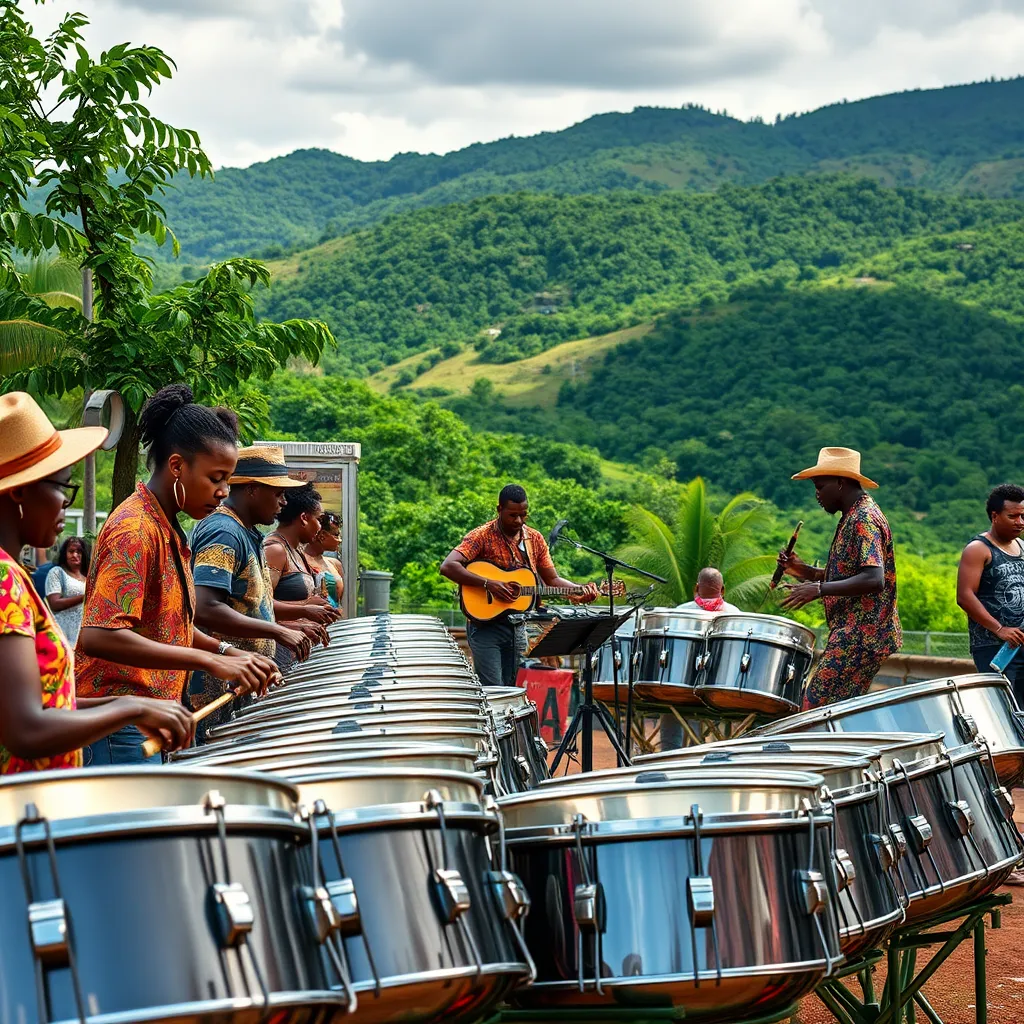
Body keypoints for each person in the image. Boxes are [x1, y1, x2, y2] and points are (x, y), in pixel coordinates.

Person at [76, 384, 279, 765]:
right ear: (176, 467)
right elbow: (100, 635)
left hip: (153, 716)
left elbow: (170, 626)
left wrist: (228, 652)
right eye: (216, 478)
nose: (222, 492)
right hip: (116, 725)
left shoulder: (167, 528)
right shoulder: (134, 531)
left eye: (227, 481)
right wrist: (208, 662)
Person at [0, 391, 193, 773]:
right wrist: (128, 705)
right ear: (21, 491)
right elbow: (24, 729)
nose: (65, 505)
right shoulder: (4, 579)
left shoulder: (11, 572)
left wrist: (132, 709)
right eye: (63, 488)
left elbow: (52, 704)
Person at [190, 446, 328, 734]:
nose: (283, 501)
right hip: (217, 687)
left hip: (242, 682)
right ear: (252, 489)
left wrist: (289, 621)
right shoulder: (224, 532)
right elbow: (204, 606)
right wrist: (277, 631)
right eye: (277, 493)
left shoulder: (245, 532)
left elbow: (251, 602)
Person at [440, 484, 599, 687]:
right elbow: (448, 566)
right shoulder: (481, 536)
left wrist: (578, 590)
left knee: (510, 689)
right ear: (499, 510)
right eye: (512, 515)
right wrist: (489, 584)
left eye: (523, 515)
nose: (518, 521)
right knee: (493, 689)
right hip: (485, 627)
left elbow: (552, 580)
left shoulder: (535, 539)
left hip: (517, 627)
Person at [778, 447, 901, 710]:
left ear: (841, 483)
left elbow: (873, 578)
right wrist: (804, 572)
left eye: (820, 487)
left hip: (861, 635)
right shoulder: (852, 516)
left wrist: (819, 589)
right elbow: (850, 573)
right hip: (858, 634)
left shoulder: (863, 519)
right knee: (838, 711)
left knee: (813, 708)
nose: (817, 495)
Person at [956, 484, 1024, 700]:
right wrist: (1000, 629)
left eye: (1023, 516)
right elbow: (965, 596)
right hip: (995, 647)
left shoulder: (1022, 547)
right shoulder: (979, 549)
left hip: (1021, 642)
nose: (1020, 522)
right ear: (995, 516)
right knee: (1005, 709)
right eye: (1013, 516)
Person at [265, 482, 340, 673]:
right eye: (318, 519)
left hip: (294, 653)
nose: (319, 526)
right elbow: (259, 607)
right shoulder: (275, 550)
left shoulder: (296, 551)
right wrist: (303, 612)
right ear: (304, 518)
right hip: (275, 654)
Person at [45, 536, 90, 646]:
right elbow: (54, 604)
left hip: (81, 640)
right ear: (64, 554)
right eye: (71, 551)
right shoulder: (57, 573)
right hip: (61, 638)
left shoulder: (88, 578)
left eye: (79, 551)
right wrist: (85, 597)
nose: (75, 555)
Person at [304, 511, 345, 611]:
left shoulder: (335, 564)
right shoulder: (300, 561)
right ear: (322, 535)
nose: (340, 540)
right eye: (336, 535)